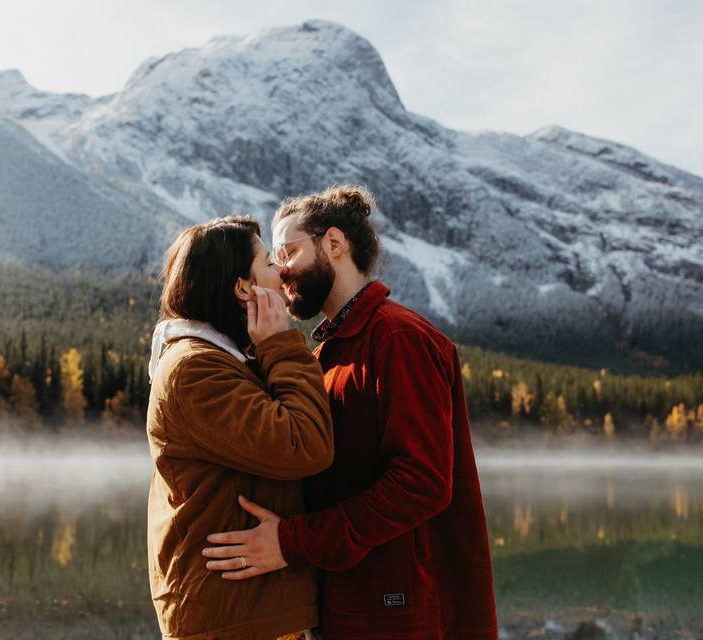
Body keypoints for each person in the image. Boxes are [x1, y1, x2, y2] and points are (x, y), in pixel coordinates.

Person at [203, 187, 498, 639]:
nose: (280, 269)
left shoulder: (399, 339)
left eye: (289, 251)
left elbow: (422, 483)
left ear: (334, 244)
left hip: (398, 613)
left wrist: (291, 541)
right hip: (355, 608)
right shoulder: (330, 352)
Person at [146, 215, 334, 640]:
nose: (282, 272)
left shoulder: (222, 359)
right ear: (243, 288)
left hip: (245, 610)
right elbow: (305, 445)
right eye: (269, 263)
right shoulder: (195, 369)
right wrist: (280, 345)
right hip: (232, 618)